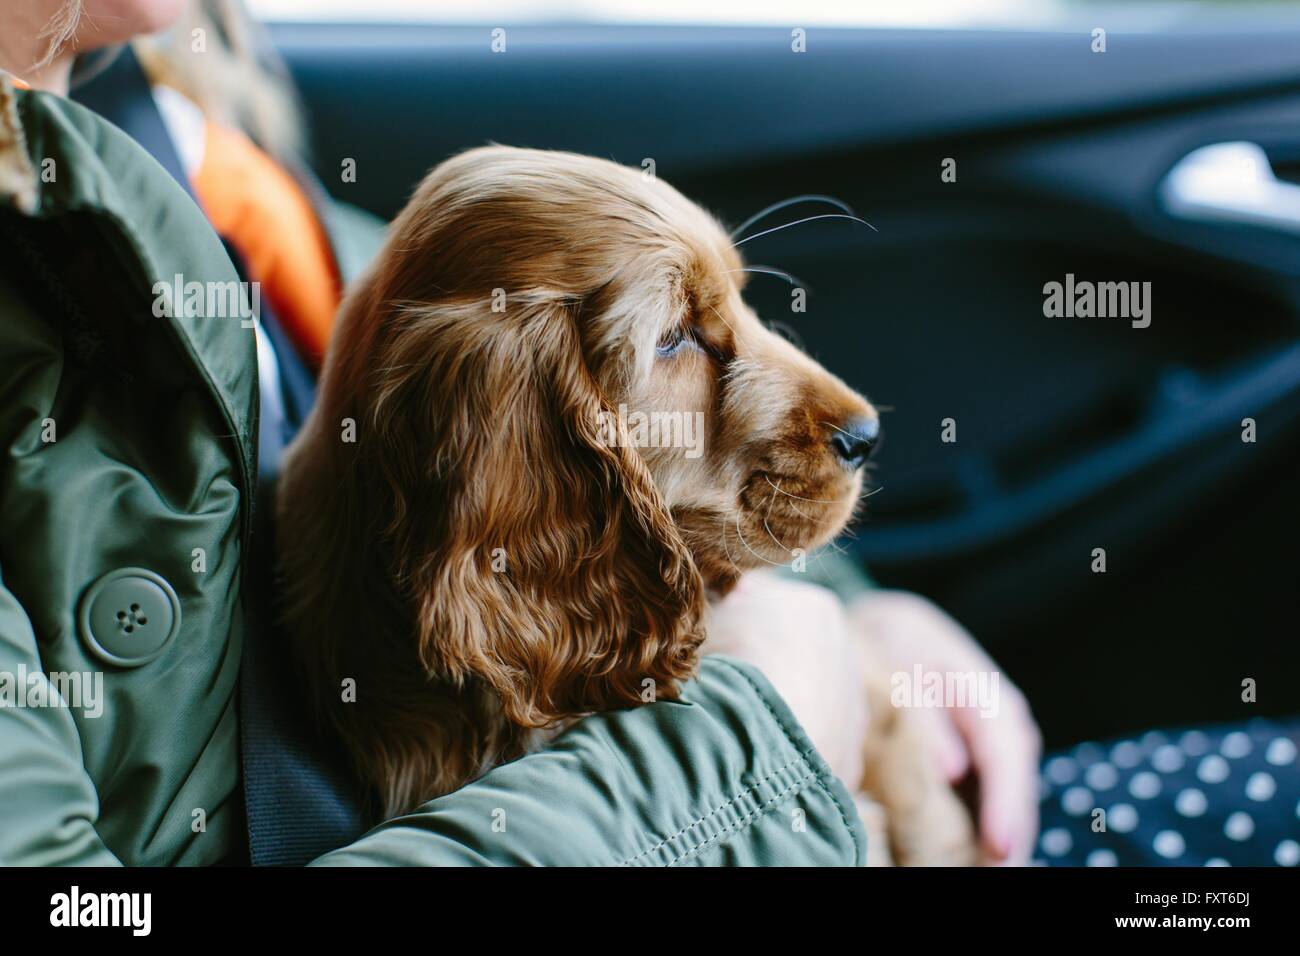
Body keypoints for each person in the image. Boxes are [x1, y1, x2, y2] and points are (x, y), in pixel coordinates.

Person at [0, 0, 1054, 867]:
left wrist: (853, 615)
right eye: (692, 337)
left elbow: (570, 446)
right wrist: (757, 738)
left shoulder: (183, 154)